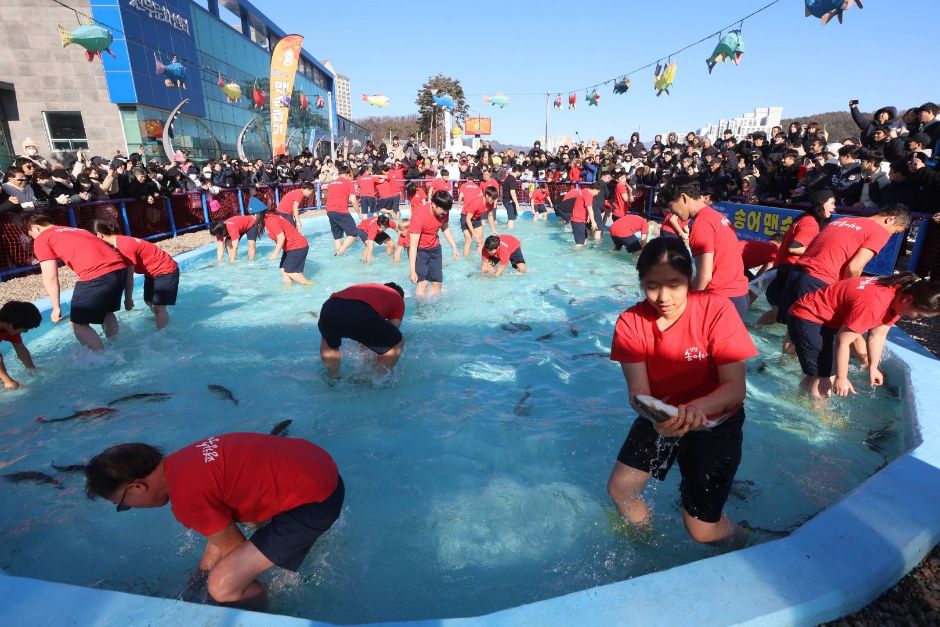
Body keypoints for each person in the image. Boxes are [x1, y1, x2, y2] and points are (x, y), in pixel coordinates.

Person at [607, 237, 757, 546]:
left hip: (716, 420)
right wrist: (654, 415)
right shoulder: (630, 322)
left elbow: (735, 388)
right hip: (662, 416)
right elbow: (638, 393)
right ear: (640, 282)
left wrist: (695, 409)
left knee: (701, 531)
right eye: (651, 286)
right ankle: (646, 545)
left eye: (674, 284)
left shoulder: (716, 310)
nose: (663, 297)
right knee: (621, 489)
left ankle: (747, 541)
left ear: (689, 277)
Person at [84, 433, 343, 609]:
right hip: (318, 467)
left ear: (138, 487)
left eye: (124, 504)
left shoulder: (187, 500)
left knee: (223, 586)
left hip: (315, 503)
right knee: (219, 564)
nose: (130, 507)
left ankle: (267, 614)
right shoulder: (184, 460)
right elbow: (219, 533)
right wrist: (199, 576)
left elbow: (233, 550)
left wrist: (214, 582)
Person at [788, 274, 940, 400]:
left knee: (819, 372)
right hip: (809, 317)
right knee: (827, 376)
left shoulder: (898, 294)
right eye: (919, 315)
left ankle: (801, 404)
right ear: (908, 300)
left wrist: (872, 367)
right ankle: (815, 422)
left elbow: (878, 335)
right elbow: (843, 341)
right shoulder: (875, 303)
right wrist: (842, 377)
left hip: (822, 319)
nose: (916, 319)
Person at [24, 213, 127, 351]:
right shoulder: (77, 230)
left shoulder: (42, 238)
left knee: (78, 324)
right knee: (106, 312)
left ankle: (104, 360)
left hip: (97, 275)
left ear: (34, 228)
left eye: (31, 235)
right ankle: (118, 347)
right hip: (120, 270)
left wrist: (56, 307)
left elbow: (50, 276)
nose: (33, 238)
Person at [659, 176, 749, 318]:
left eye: (671, 207)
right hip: (739, 295)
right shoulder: (718, 217)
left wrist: (686, 303)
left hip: (720, 299)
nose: (672, 213)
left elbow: (704, 276)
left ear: (683, 198)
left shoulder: (701, 224)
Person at [760, 190, 835, 324]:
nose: (834, 207)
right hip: (786, 273)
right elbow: (794, 248)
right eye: (832, 203)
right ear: (821, 204)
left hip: (781, 271)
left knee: (777, 315)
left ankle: (755, 330)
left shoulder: (804, 217)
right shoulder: (810, 223)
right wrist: (819, 251)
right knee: (785, 316)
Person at [89, 221, 179, 330]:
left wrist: (128, 299)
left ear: (99, 235)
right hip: (152, 271)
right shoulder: (118, 241)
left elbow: (129, 277)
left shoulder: (123, 247)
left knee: (158, 306)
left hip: (165, 270)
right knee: (149, 301)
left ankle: (162, 335)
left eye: (91, 240)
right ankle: (161, 319)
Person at [318, 282, 405, 378]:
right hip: (361, 313)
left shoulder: (370, 287)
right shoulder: (398, 299)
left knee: (329, 340)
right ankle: (373, 380)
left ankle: (333, 377)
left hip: (329, 307)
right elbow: (393, 330)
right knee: (397, 342)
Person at [408, 190, 460, 297]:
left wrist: (454, 247)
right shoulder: (419, 215)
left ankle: (434, 310)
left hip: (435, 249)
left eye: (447, 210)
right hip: (420, 250)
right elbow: (413, 245)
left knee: (437, 283)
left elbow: (445, 227)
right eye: (442, 210)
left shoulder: (444, 211)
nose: (445, 213)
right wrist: (412, 270)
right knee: (423, 284)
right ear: (433, 204)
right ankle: (421, 311)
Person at [249, 203, 312, 286]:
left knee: (291, 272)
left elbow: (281, 237)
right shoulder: (268, 219)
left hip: (297, 247)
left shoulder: (271, 220)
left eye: (252, 214)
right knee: (283, 270)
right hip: (290, 248)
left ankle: (310, 285)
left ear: (258, 213)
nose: (252, 217)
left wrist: (275, 254)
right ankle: (289, 291)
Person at [0, 301, 40, 389]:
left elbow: (20, 349)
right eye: (25, 328)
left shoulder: (10, 329)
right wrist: (8, 381)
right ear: (10, 325)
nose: (25, 331)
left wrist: (31, 369)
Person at [323, 166, 361, 256]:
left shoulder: (331, 184)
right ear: (348, 174)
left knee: (337, 237)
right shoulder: (348, 183)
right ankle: (340, 251)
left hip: (329, 211)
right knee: (353, 233)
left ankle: (338, 254)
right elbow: (353, 199)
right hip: (341, 210)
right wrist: (358, 212)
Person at [463, 187, 499, 257]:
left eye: (495, 198)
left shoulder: (490, 203)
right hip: (465, 217)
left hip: (476, 218)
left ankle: (479, 257)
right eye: (492, 198)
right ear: (486, 195)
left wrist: (493, 230)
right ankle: (465, 261)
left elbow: (490, 216)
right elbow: (468, 219)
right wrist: (474, 233)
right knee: (469, 240)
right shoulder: (476, 202)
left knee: (480, 239)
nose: (494, 200)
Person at [571, 185, 599, 249]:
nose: (596, 194)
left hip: (578, 220)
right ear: (595, 190)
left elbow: (584, 204)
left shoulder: (585, 190)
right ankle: (574, 256)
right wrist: (593, 222)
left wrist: (588, 216)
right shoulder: (589, 195)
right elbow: (590, 209)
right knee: (579, 244)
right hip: (578, 221)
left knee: (585, 240)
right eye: (597, 192)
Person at [502, 165, 521, 229]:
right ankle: (510, 232)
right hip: (509, 201)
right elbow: (512, 192)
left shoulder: (508, 177)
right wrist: (517, 204)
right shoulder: (512, 179)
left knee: (511, 217)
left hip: (506, 200)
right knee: (511, 218)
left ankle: (507, 229)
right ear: (518, 172)